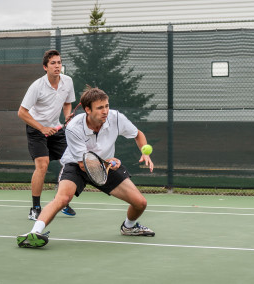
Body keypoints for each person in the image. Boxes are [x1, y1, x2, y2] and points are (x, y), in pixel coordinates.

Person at [17, 86, 155, 248]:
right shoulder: (74, 127)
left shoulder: (116, 118)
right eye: (100, 108)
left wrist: (144, 152)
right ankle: (34, 233)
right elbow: (84, 164)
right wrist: (108, 161)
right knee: (62, 199)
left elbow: (137, 134)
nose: (105, 111)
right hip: (77, 166)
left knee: (140, 203)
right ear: (87, 110)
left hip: (105, 167)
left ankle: (129, 227)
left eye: (107, 106)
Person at [18, 49, 77, 221]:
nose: (57, 66)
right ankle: (35, 208)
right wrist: (42, 128)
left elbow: (67, 103)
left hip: (56, 129)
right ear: (45, 67)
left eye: (59, 62)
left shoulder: (68, 82)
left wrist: (67, 116)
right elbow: (21, 112)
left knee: (70, 162)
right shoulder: (37, 86)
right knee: (42, 166)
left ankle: (62, 202)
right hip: (36, 129)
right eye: (53, 63)